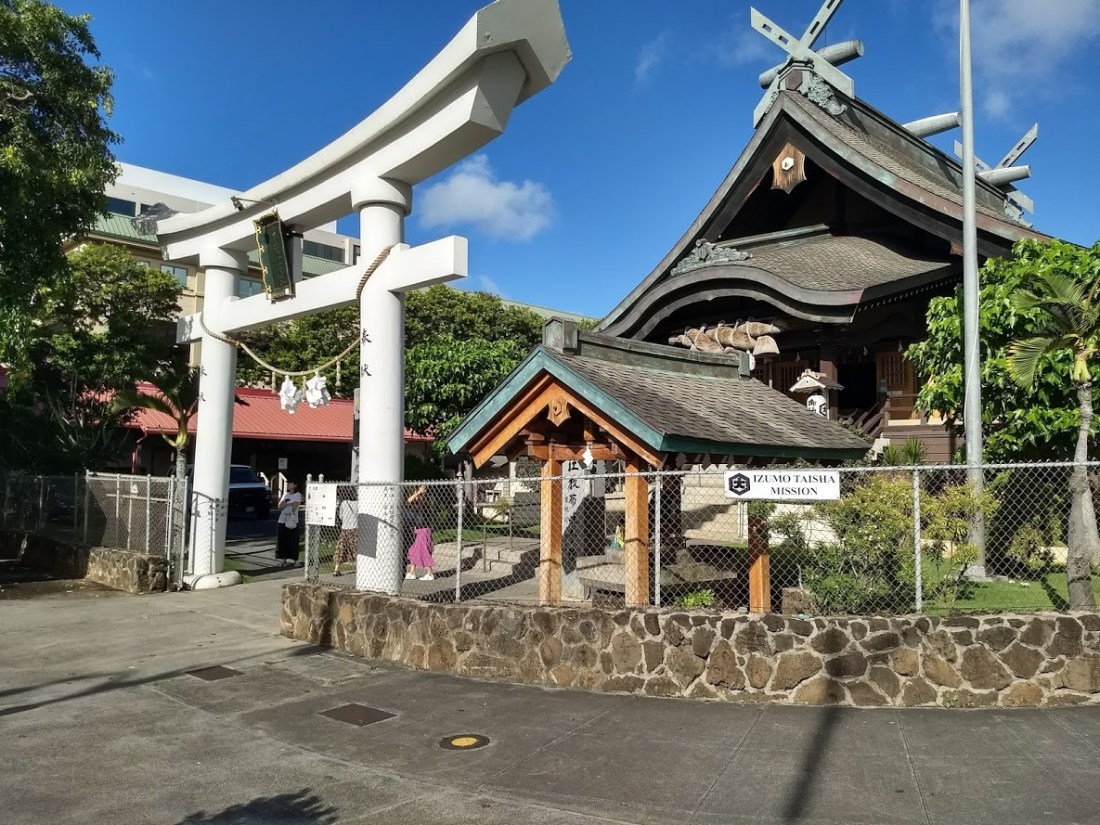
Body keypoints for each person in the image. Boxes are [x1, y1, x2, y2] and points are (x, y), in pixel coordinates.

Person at [404, 484, 435, 581]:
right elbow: (408, 502)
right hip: (419, 530)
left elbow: (409, 501)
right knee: (413, 551)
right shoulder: (419, 504)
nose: (414, 494)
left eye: (415, 492)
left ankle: (430, 574)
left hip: (424, 531)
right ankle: (412, 572)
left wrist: (418, 493)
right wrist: (418, 493)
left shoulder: (423, 503)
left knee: (424, 551)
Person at [275, 481, 303, 567]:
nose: (288, 485)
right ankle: (283, 560)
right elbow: (279, 506)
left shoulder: (297, 495)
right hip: (282, 520)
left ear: (295, 485)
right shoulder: (286, 495)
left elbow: (294, 507)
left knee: (293, 540)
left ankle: (295, 560)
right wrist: (288, 503)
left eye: (290, 483)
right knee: (282, 540)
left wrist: (286, 504)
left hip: (292, 520)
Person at [333, 486, 357, 577]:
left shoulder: (343, 503)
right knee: (355, 549)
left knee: (340, 549)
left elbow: (341, 516)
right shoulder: (358, 503)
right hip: (355, 528)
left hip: (345, 528)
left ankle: (336, 569)